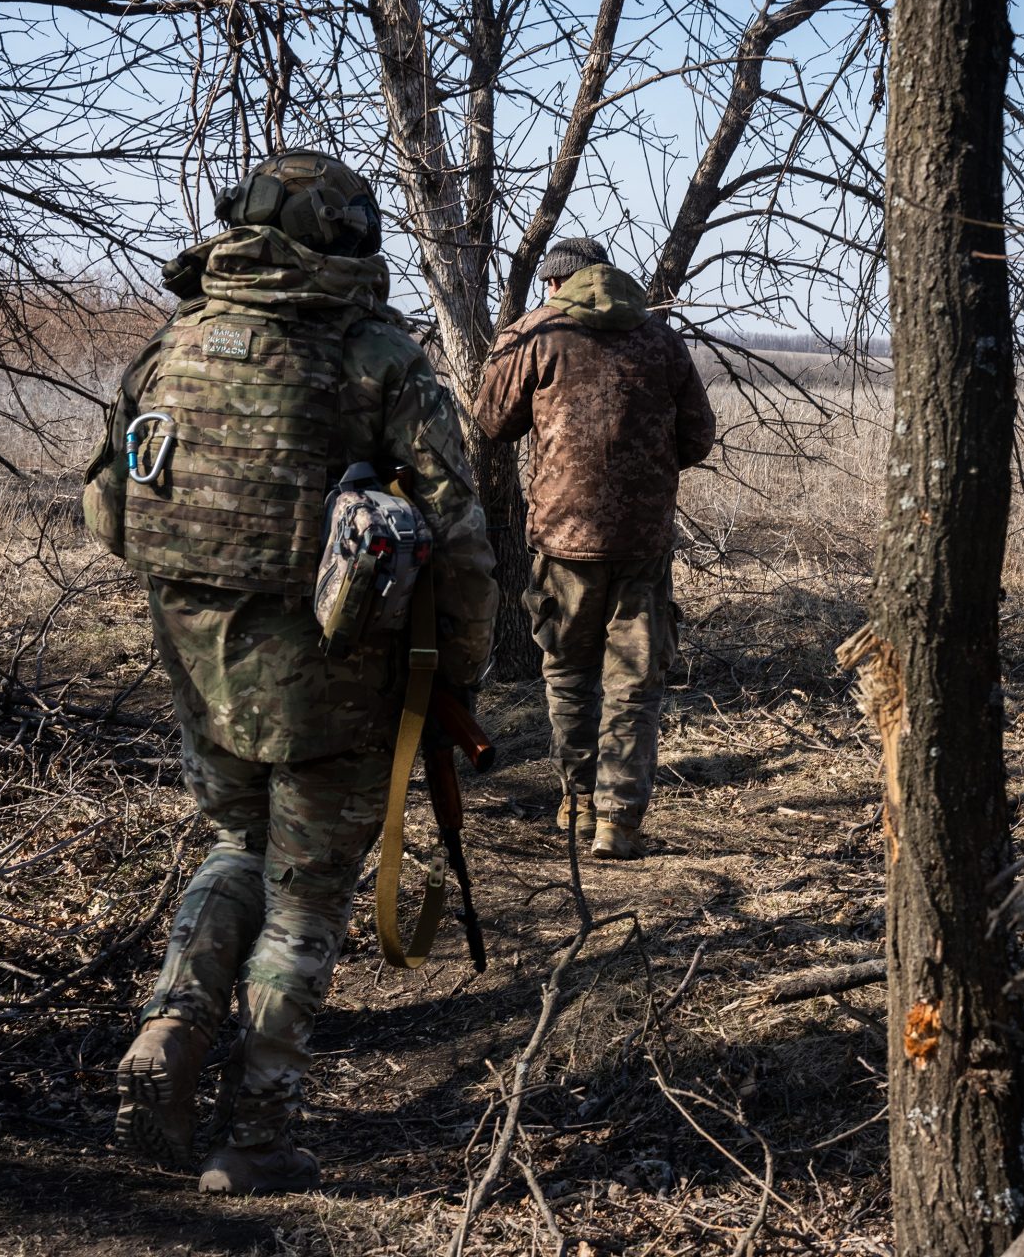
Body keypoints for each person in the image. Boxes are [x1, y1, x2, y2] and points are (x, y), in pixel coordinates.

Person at [82, 150, 499, 1194]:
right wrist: (464, 672)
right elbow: (465, 537)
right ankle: (257, 1131)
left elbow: (108, 511)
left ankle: (170, 1029)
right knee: (306, 893)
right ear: (344, 238)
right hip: (336, 676)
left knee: (233, 844)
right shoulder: (376, 356)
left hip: (200, 663)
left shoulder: (170, 346)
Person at [473, 236, 715, 860]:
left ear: (554, 284)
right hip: (643, 542)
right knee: (634, 681)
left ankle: (576, 803)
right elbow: (697, 439)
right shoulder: (661, 339)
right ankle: (619, 821)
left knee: (568, 673)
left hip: (562, 537)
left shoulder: (537, 335)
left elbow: (492, 423)